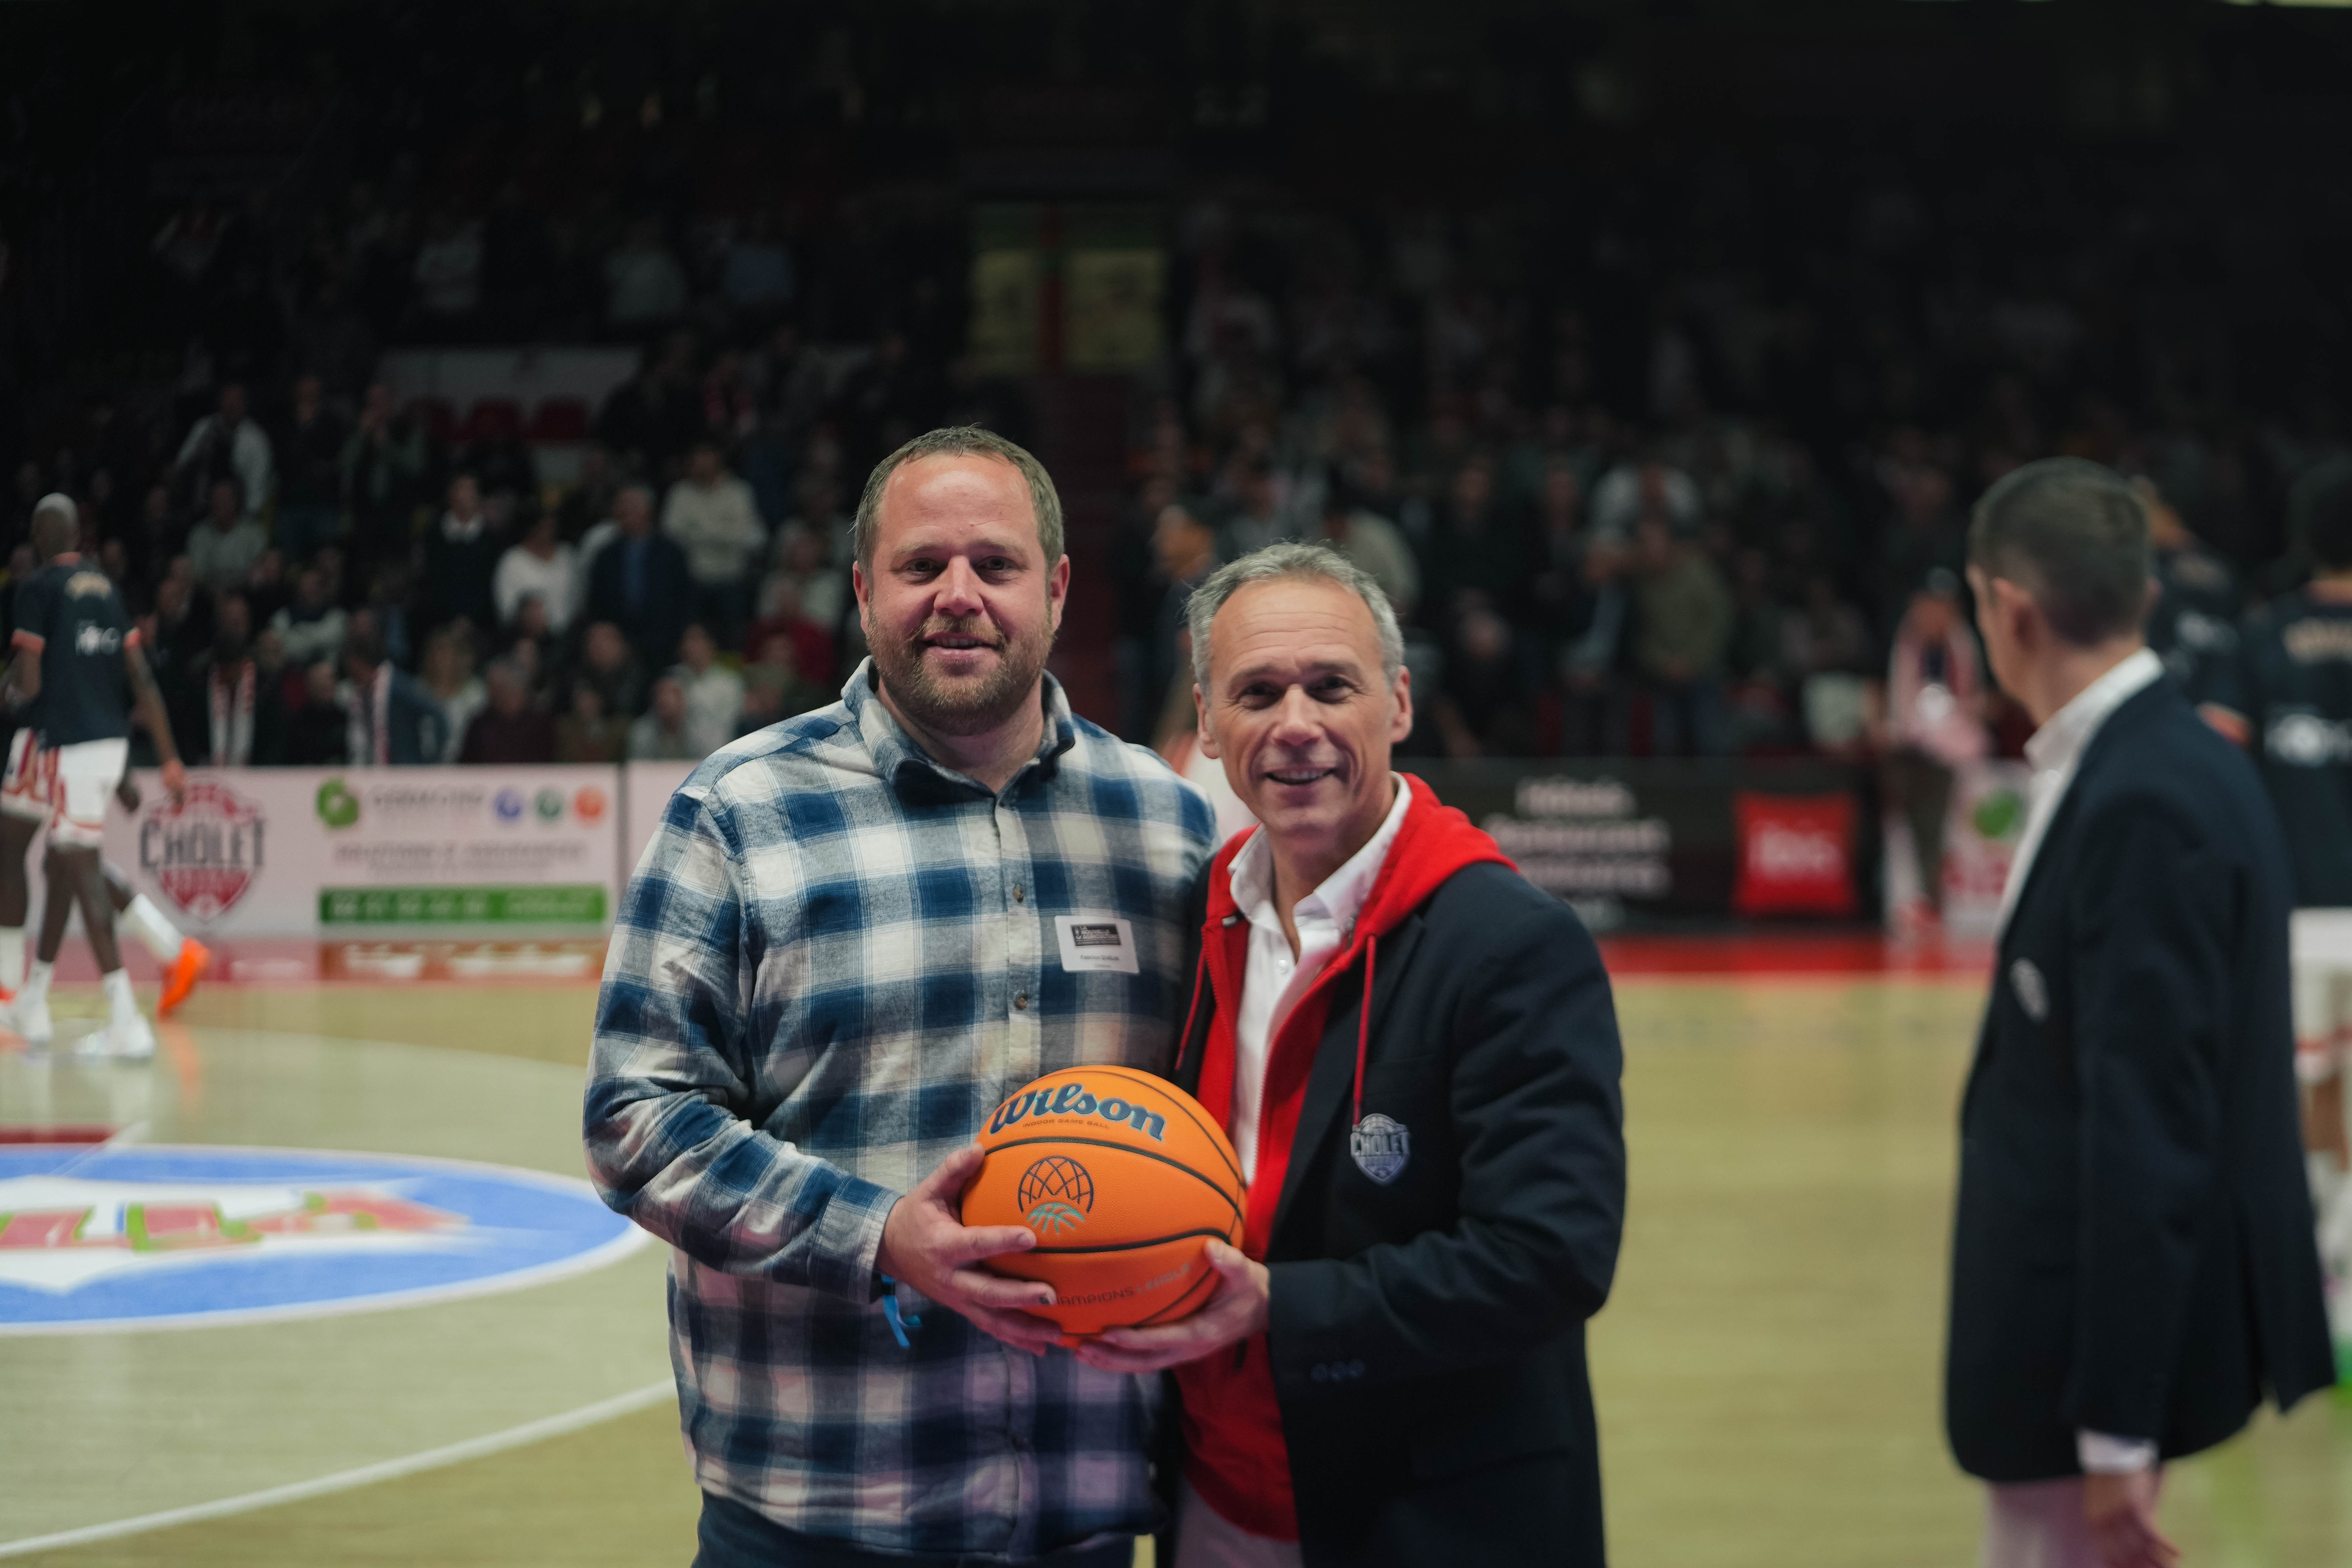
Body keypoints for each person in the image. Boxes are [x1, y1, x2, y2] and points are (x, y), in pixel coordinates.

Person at [584, 425, 1214, 1567]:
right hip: (813, 1512)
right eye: (922, 567)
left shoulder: (1162, 824)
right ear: (866, 587)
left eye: (996, 565)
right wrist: (875, 1236)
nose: (958, 596)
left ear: (1059, 589)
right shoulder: (738, 812)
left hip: (1077, 1516)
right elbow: (634, 1119)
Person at [1072, 542, 1626, 1567]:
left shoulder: (1506, 941)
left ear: (1398, 703)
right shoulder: (1203, 917)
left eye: (1331, 686)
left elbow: (1550, 1259)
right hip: (1208, 1502)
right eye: (1255, 693)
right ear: (1204, 723)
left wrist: (1281, 1306)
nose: (1295, 727)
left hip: (1426, 1520)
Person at [1948, 457, 2334, 1568]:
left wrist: (2114, 1421)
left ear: (2004, 608)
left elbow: (2147, 1123)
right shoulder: (2145, 764)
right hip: (2076, 1361)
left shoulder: (2143, 799)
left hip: (2074, 1376)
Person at [2204, 463, 2352, 1352]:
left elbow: (2219, 773)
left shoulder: (2258, 638)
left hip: (2291, 914)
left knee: (2298, 1088)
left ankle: (2296, 1276)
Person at [0, 500, 195, 1057]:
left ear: (38, 536)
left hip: (68, 747)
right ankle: (30, 999)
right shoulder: (107, 589)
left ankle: (125, 1019)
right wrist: (168, 760)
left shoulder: (37, 589)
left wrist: (9, 692)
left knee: (78, 869)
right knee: (60, 860)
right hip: (108, 745)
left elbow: (31, 685)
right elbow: (136, 678)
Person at [1881, 569, 1991, 931]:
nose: (1934, 615)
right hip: (1911, 748)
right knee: (1908, 826)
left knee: (1943, 827)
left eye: (1942, 607)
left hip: (1954, 752)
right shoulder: (1904, 644)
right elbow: (1900, 702)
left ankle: (1939, 901)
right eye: (1928, 606)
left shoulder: (1964, 646)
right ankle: (1913, 900)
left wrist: (1949, 736)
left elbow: (1974, 703)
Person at [664, 441, 766, 645]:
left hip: (731, 580)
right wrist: (722, 530)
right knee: (689, 637)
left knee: (733, 640)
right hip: (692, 581)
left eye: (707, 459)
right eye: (697, 460)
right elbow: (672, 536)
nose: (701, 465)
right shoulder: (680, 494)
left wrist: (696, 531)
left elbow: (747, 537)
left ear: (718, 461)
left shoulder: (739, 492)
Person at [585, 484, 691, 668]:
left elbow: (684, 600)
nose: (622, 511)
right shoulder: (605, 556)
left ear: (647, 510)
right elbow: (596, 604)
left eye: (629, 505)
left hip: (664, 641)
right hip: (618, 642)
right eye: (619, 506)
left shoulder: (672, 553)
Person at [340, 624, 446, 766]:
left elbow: (437, 714)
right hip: (374, 771)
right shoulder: (362, 693)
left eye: (352, 668)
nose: (350, 674)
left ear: (358, 664)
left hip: (403, 771)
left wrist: (432, 759)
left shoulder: (400, 687)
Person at [493, 510, 580, 634]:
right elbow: (506, 610)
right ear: (531, 528)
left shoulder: (568, 555)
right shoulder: (512, 560)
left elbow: (579, 600)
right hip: (524, 637)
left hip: (569, 637)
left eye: (551, 527)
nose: (547, 532)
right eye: (542, 527)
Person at [459, 659, 554, 765]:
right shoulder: (481, 724)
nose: (498, 695)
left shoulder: (541, 724)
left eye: (505, 688)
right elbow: (467, 765)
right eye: (494, 688)